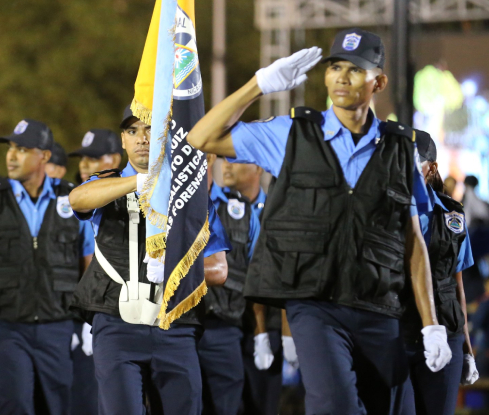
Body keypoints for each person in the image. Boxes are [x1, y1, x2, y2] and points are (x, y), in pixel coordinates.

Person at [188, 29, 449, 414]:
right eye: (335, 67)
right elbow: (201, 137)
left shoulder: (399, 151)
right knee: (334, 406)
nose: (342, 77)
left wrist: (431, 323)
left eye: (356, 70)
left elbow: (413, 243)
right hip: (315, 306)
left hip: (378, 304)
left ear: (378, 82)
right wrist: (258, 85)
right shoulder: (292, 134)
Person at [69, 106, 230, 414]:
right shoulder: (107, 185)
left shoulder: (191, 194)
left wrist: (172, 268)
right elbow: (78, 199)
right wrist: (141, 182)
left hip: (175, 325)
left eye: (150, 130)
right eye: (133, 131)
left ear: (167, 137)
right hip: (117, 323)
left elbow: (218, 270)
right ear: (123, 141)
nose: (142, 139)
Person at [0, 119, 95, 414]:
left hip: (56, 325)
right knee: (14, 403)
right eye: (10, 149)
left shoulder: (72, 199)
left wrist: (89, 319)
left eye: (21, 149)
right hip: (5, 325)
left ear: (44, 156)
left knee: (57, 405)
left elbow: (88, 261)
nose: (11, 155)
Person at [397, 130, 478, 415]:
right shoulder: (381, 211)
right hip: (395, 335)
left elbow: (457, 287)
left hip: (446, 335)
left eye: (413, 161)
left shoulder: (452, 216)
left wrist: (467, 350)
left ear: (431, 167)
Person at [198, 158, 283, 415]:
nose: (228, 166)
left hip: (233, 325)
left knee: (240, 403)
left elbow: (262, 275)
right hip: (188, 326)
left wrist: (262, 333)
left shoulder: (247, 210)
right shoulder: (166, 204)